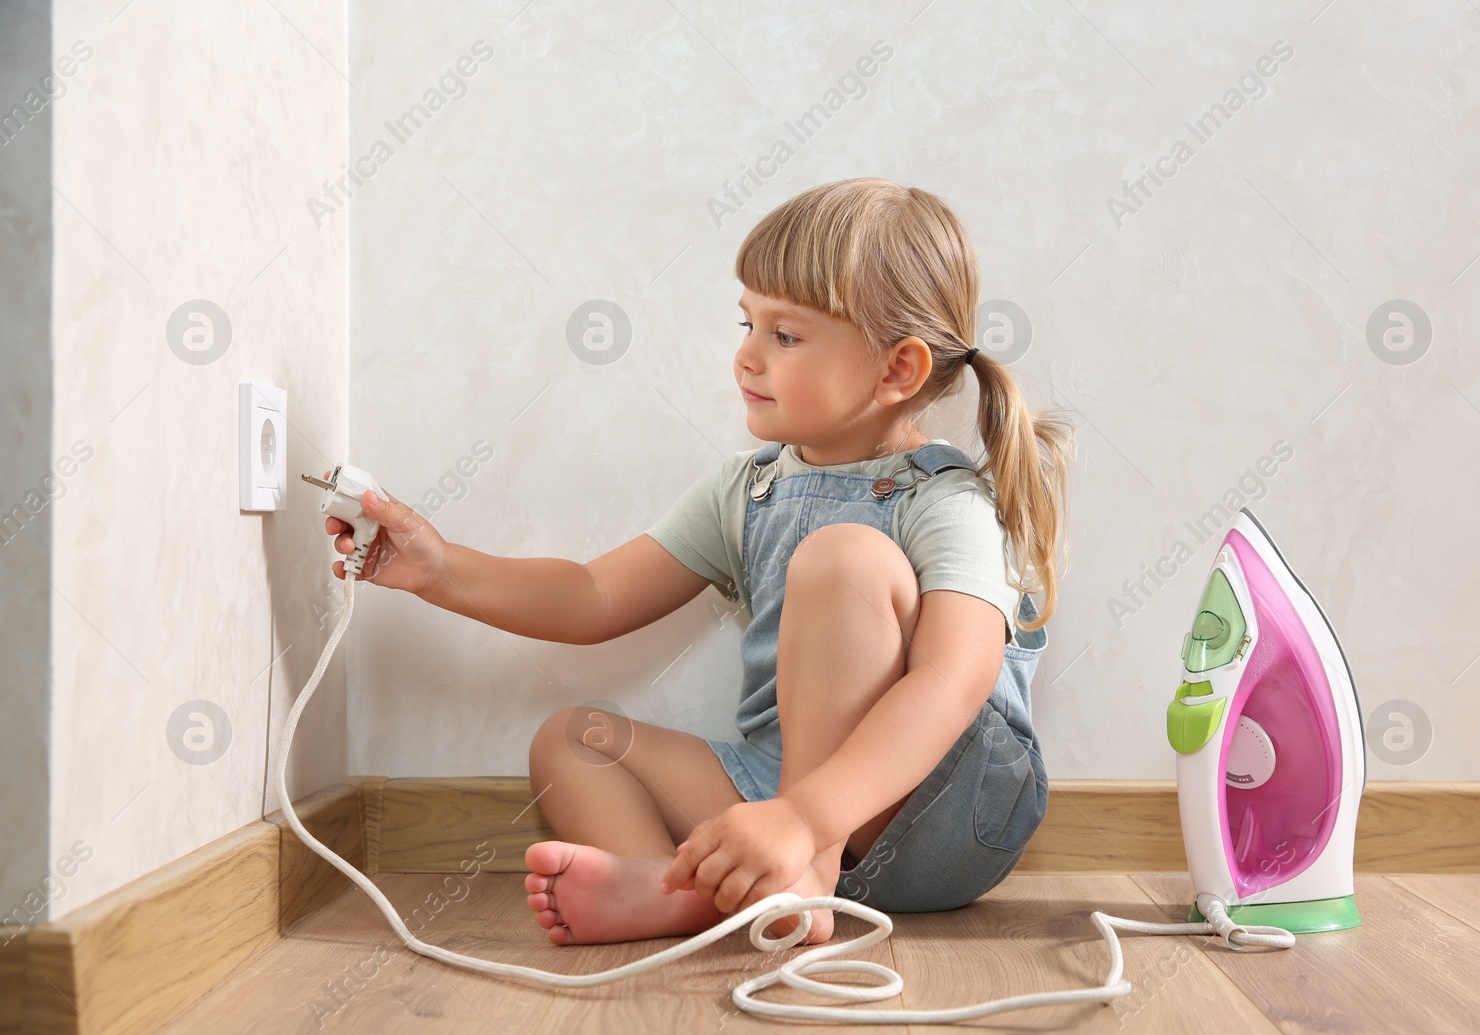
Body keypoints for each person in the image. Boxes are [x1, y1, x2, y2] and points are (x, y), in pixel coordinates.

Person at [323, 177, 1074, 948]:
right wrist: (441, 569)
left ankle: (798, 876)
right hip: (782, 797)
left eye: (786, 335)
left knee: (844, 558)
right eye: (748, 323)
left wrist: (806, 818)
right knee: (570, 739)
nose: (746, 355)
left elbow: (954, 681)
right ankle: (676, 889)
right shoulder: (747, 489)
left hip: (936, 810)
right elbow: (590, 596)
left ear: (897, 371)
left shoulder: (944, 500)